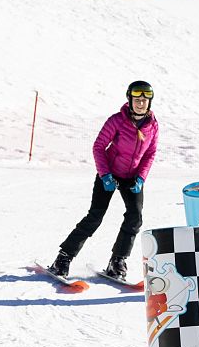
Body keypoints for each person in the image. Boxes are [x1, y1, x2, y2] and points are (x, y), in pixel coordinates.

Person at [48, 80, 159, 281]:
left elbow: (150, 153)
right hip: (109, 173)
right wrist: (105, 174)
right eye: (137, 99)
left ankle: (117, 261)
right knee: (95, 216)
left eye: (144, 100)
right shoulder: (117, 120)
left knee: (135, 217)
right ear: (130, 99)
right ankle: (63, 259)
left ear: (149, 102)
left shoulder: (153, 126)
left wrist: (141, 178)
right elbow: (99, 146)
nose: (140, 103)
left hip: (132, 177)